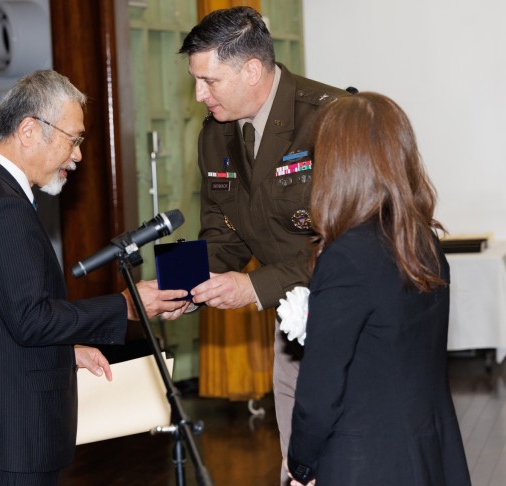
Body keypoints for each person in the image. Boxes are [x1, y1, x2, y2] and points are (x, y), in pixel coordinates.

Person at [0, 70, 188, 485]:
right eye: (74, 139)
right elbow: (30, 318)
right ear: (30, 129)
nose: (78, 156)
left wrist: (66, 350)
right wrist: (125, 305)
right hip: (14, 435)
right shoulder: (3, 207)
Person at [178, 7, 348, 483]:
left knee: (350, 461)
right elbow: (222, 233)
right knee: (298, 466)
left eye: (209, 80)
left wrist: (253, 287)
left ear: (251, 70)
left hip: (350, 317)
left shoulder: (331, 118)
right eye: (195, 80)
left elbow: (347, 244)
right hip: (291, 320)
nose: (198, 94)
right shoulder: (215, 135)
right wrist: (177, 286)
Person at [287, 92, 471, 486]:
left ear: (337, 164)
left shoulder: (347, 257)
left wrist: (301, 463)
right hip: (427, 451)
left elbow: (320, 394)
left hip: (366, 462)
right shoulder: (421, 240)